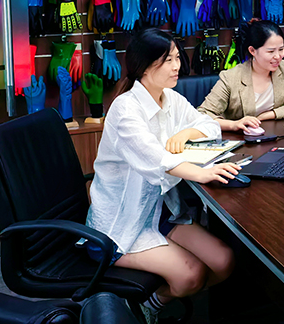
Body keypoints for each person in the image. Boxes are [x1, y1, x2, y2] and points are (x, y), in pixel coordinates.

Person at [86, 28, 241, 323]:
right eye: (167, 60)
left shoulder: (169, 98)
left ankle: (151, 301)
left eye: (176, 58)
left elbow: (209, 125)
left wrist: (186, 132)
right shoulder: (125, 109)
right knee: (191, 274)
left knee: (224, 261)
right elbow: (157, 160)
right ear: (144, 67)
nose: (176, 65)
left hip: (160, 211)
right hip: (121, 223)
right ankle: (150, 307)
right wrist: (203, 174)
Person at [198, 20, 284, 131]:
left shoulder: (283, 68)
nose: (278, 56)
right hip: (240, 137)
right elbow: (202, 114)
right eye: (271, 51)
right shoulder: (231, 78)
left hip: (274, 135)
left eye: (281, 49)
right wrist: (234, 124)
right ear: (252, 51)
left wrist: (269, 115)